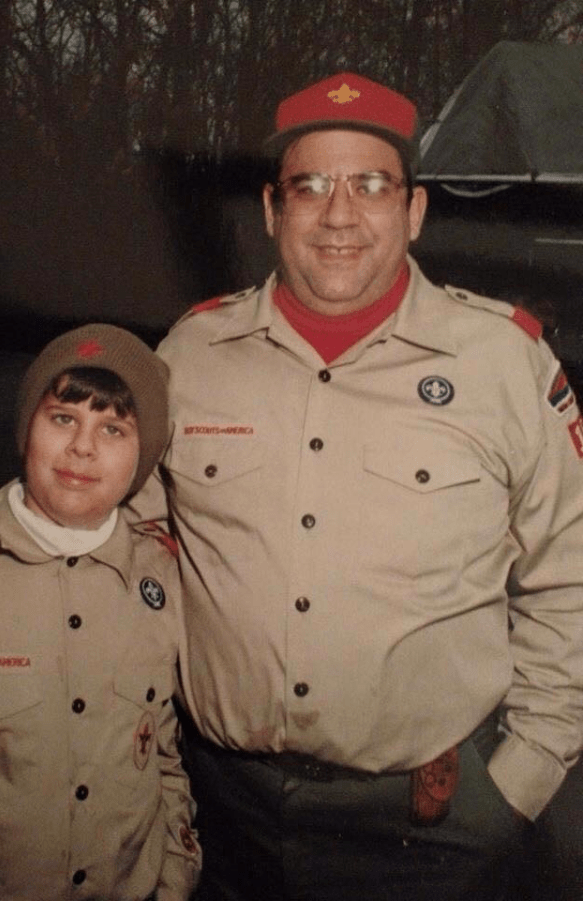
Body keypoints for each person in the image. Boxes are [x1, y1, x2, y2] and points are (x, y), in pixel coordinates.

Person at [129, 72, 583, 900]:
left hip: (431, 824)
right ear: (272, 210)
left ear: (413, 211)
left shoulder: (501, 363)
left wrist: (519, 779)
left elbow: (571, 575)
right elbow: (127, 553)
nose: (340, 215)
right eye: (311, 186)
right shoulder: (190, 356)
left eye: (371, 185)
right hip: (217, 816)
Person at [0, 323, 200, 901]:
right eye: (63, 417)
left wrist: (174, 875)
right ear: (28, 429)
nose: (82, 448)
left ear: (143, 457)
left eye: (113, 428)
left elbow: (161, 751)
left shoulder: (162, 581)